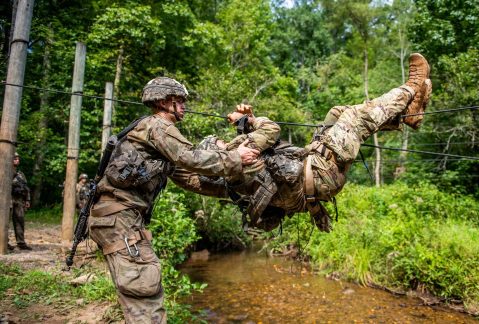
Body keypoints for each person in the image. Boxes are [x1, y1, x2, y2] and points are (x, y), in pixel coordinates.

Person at [184, 53, 432, 232]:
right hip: (319, 171)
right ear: (215, 151)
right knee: (354, 118)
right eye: (217, 141)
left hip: (315, 177)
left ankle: (407, 115)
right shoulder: (235, 156)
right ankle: (412, 86)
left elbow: (190, 178)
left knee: (335, 114)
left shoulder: (226, 187)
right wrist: (246, 121)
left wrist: (163, 152)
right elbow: (271, 130)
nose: (222, 140)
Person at [87, 76, 259, 323]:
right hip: (119, 220)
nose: (184, 106)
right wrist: (236, 157)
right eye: (180, 101)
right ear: (166, 101)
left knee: (141, 292)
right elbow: (190, 157)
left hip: (117, 220)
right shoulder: (158, 126)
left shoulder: (155, 136)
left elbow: (189, 178)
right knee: (144, 292)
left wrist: (233, 192)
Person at [10, 152, 32, 251]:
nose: (17, 160)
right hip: (8, 199)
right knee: (4, 222)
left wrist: (27, 199)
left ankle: (21, 243)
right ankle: (3, 242)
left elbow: (26, 188)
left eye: (18, 158)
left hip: (19, 200)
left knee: (20, 220)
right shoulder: (4, 170)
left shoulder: (20, 174)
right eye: (15, 158)